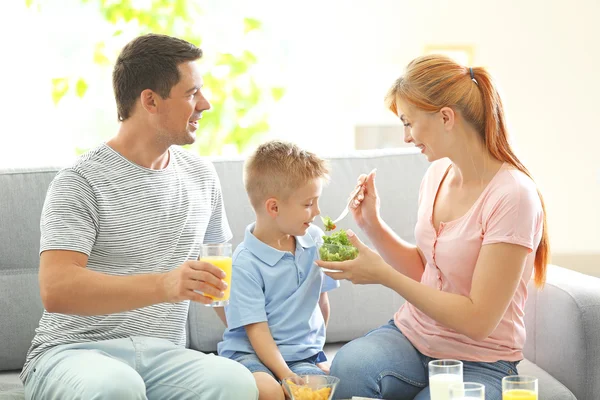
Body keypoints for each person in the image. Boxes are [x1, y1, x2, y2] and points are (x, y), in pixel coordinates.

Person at [21, 33, 258, 400]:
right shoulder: (80, 181)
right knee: (118, 386)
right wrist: (166, 285)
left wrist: (280, 353)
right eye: (192, 93)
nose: (206, 104)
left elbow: (221, 286)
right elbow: (57, 290)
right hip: (71, 353)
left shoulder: (201, 176)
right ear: (150, 100)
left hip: (163, 355)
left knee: (236, 382)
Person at [316, 55, 549, 400]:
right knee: (349, 369)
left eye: (409, 123)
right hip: (410, 337)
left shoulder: (513, 196)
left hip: (481, 360)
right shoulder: (437, 174)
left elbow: (478, 320)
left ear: (445, 117)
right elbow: (427, 270)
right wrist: (373, 224)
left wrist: (381, 273)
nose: (407, 137)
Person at [217, 140, 340, 400]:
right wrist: (284, 374)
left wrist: (316, 352)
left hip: (298, 355)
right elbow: (256, 330)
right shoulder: (245, 262)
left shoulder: (315, 240)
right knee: (271, 392)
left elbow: (321, 301)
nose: (317, 212)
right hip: (249, 352)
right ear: (273, 207)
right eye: (308, 204)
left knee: (317, 391)